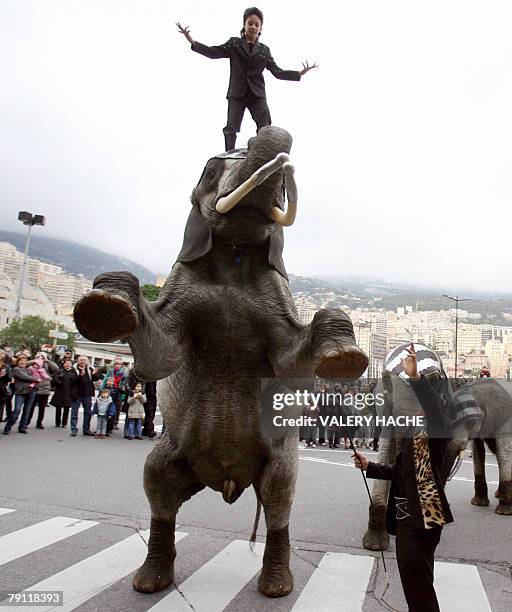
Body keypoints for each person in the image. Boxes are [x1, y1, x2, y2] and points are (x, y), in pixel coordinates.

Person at [352, 344, 453, 612]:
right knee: (417, 580)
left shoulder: (438, 430)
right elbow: (400, 471)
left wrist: (417, 380)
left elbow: (433, 408)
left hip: (425, 517)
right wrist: (369, 466)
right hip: (408, 516)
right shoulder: (412, 435)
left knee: (415, 580)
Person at [177, 7, 317, 151]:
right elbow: (214, 52)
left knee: (265, 126)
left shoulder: (264, 50)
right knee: (231, 127)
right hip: (237, 92)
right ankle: (229, 154)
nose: (253, 27)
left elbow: (277, 72)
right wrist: (192, 41)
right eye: (250, 23)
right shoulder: (235, 43)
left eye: (257, 24)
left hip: (257, 94)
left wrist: (298, 74)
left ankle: (263, 153)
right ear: (244, 25)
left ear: (260, 28)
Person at [3, 355, 38, 434]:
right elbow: (26, 377)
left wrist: (35, 378)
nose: (23, 362)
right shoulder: (16, 369)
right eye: (21, 361)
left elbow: (34, 376)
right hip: (20, 392)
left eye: (25, 361)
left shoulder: (28, 369)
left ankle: (22, 427)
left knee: (27, 410)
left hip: (31, 391)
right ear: (18, 361)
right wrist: (36, 379)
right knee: (17, 410)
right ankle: (8, 427)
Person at [26, 352, 59, 429]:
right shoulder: (32, 365)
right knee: (30, 407)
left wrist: (46, 360)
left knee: (42, 407)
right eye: (38, 356)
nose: (40, 358)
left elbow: (56, 369)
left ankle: (39, 422)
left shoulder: (47, 365)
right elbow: (25, 364)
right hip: (34, 388)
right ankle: (26, 422)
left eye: (42, 356)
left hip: (44, 388)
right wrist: (35, 360)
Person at [70, 356, 96, 437]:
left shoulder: (90, 369)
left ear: (87, 361)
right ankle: (73, 430)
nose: (82, 361)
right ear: (78, 361)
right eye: (81, 360)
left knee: (88, 413)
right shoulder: (74, 369)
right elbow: (72, 380)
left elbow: (94, 379)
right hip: (76, 394)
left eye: (84, 360)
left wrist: (95, 374)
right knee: (74, 413)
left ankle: (86, 429)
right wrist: (80, 375)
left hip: (87, 394)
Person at [102, 356, 127, 431]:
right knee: (108, 406)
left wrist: (123, 389)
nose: (118, 365)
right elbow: (105, 379)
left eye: (119, 364)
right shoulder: (110, 371)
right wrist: (102, 388)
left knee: (117, 408)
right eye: (116, 364)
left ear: (121, 365)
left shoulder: (124, 373)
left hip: (119, 391)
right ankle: (106, 423)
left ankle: (115, 423)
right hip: (110, 390)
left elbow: (125, 383)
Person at [50, 358, 76, 427]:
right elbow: (53, 380)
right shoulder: (59, 371)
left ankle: (64, 423)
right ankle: (57, 423)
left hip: (69, 392)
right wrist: (57, 379)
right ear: (63, 364)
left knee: (66, 408)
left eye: (69, 363)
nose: (67, 364)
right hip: (59, 392)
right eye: (66, 363)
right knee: (58, 408)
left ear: (71, 365)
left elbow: (75, 383)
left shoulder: (73, 372)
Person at [0, 350, 12, 423]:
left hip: (1, 390)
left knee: (0, 409)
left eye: (1, 354)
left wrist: (6, 375)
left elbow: (9, 379)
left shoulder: (6, 366)